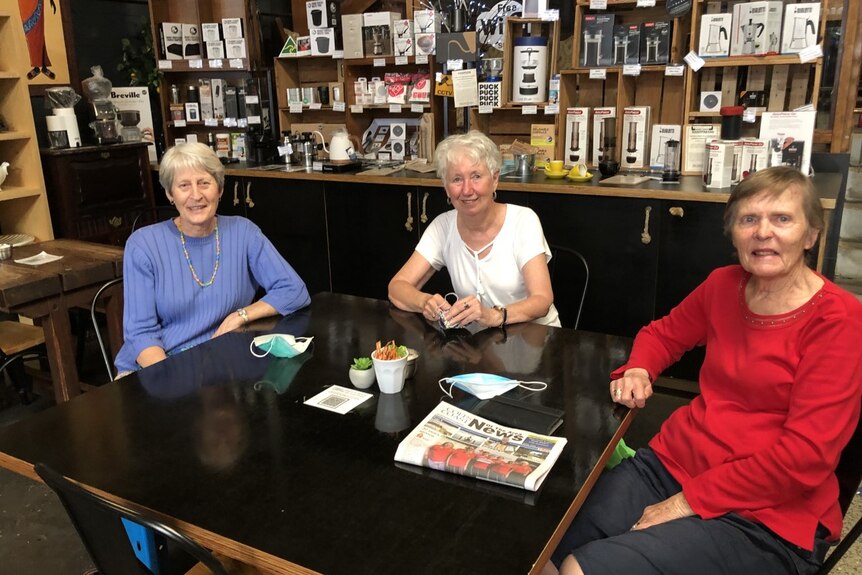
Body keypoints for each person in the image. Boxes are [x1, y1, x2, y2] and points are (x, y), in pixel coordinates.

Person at [545, 166, 862, 575]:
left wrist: (688, 502)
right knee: (550, 547)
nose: (763, 232)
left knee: (581, 568)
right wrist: (640, 368)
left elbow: (803, 459)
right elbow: (662, 334)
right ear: (733, 233)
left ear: (811, 234)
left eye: (782, 219)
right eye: (749, 219)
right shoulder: (723, 285)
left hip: (767, 513)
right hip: (674, 464)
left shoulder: (840, 320)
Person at [114, 142, 310, 374]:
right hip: (158, 365)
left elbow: (294, 290)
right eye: (184, 185)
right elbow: (140, 334)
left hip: (222, 360)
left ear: (219, 189)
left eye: (204, 183)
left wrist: (241, 315)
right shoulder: (143, 245)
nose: (196, 195)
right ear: (170, 194)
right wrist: (173, 380)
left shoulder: (243, 232)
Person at [388, 130, 559, 329]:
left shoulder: (523, 220)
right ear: (446, 187)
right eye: (457, 179)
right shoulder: (443, 226)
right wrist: (425, 302)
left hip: (537, 340)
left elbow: (542, 300)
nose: (467, 190)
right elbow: (397, 287)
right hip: (480, 347)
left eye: (476, 176)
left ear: (495, 179)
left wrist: (496, 316)